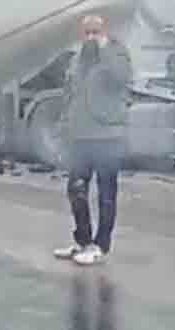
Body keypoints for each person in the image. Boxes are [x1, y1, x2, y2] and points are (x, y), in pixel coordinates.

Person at [54, 15, 132, 266]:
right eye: (86, 32)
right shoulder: (77, 59)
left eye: (95, 32)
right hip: (80, 136)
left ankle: (101, 245)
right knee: (76, 190)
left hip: (108, 136)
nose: (90, 37)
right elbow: (69, 94)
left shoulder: (117, 54)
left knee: (106, 194)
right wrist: (64, 127)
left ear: (104, 32)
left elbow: (121, 78)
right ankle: (83, 241)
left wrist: (104, 49)